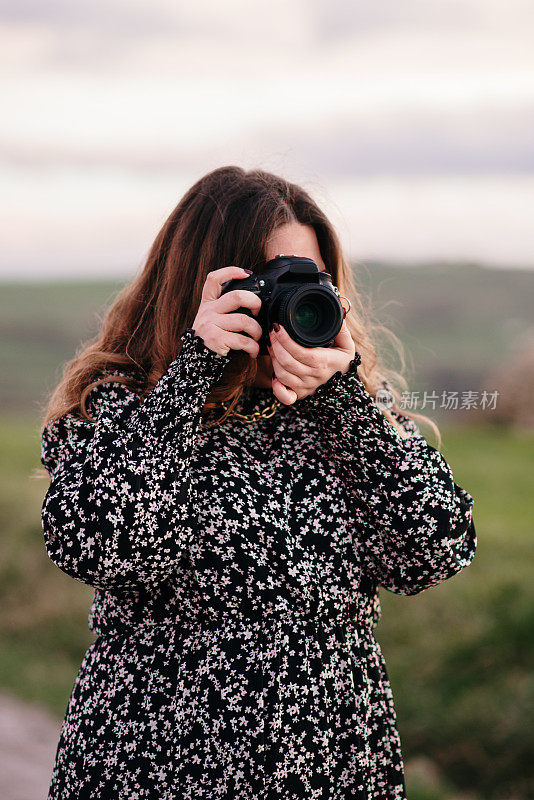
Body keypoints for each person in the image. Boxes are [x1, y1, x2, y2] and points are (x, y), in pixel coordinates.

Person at [39, 165, 476, 800]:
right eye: (269, 284)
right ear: (199, 287)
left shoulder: (349, 419)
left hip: (329, 769)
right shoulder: (122, 410)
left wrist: (344, 405)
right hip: (159, 766)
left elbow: (432, 554)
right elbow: (110, 551)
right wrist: (188, 383)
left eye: (313, 282)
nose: (291, 302)